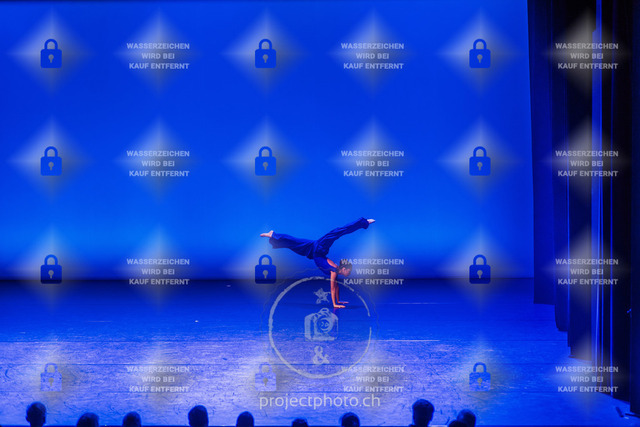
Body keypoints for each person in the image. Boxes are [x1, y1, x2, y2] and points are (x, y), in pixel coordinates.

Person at [261, 217, 375, 308]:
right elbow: (332, 288)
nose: (349, 273)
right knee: (337, 232)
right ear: (344, 269)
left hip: (315, 251)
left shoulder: (335, 270)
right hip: (319, 248)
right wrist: (335, 304)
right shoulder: (334, 271)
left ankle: (273, 236)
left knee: (294, 243)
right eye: (348, 271)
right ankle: (364, 222)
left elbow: (336, 287)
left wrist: (339, 300)